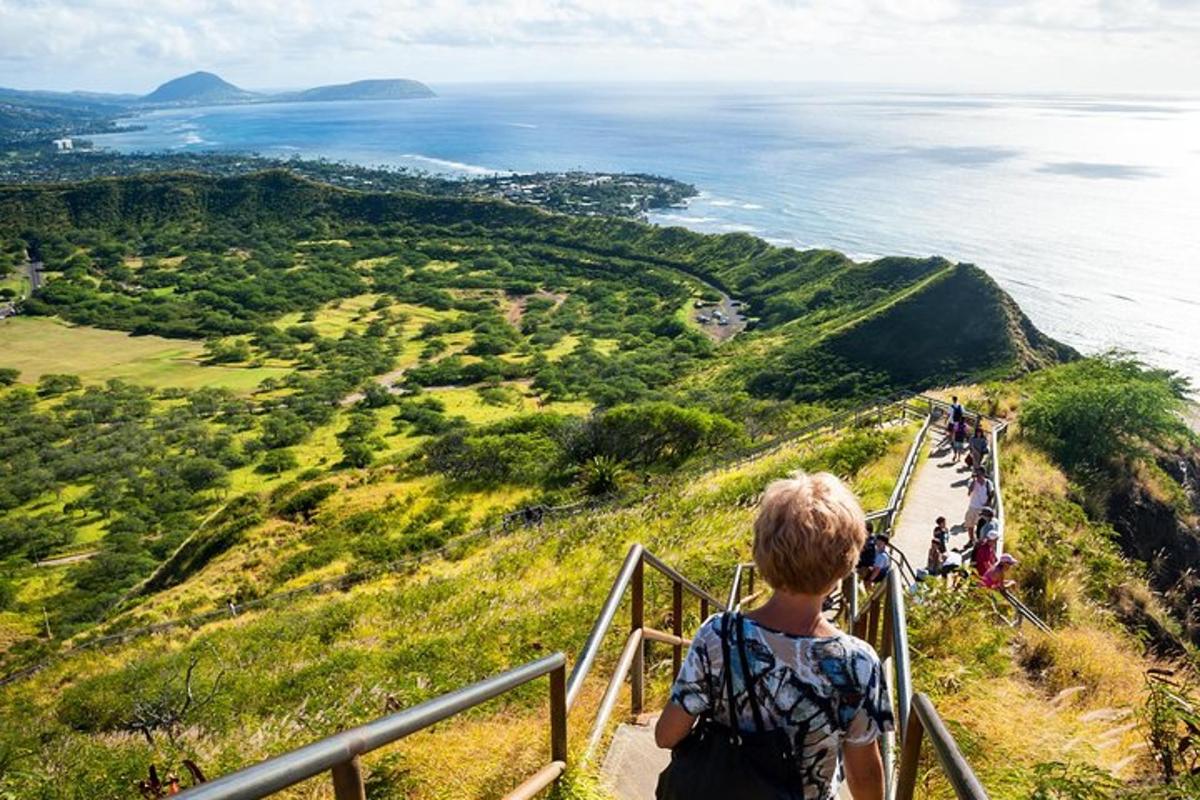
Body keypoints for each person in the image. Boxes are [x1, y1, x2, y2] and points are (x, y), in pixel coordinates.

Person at [656, 471, 891, 800]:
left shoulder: (719, 634)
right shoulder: (859, 663)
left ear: (762, 552)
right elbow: (864, 773)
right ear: (845, 564)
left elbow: (666, 735)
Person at [963, 468, 994, 540]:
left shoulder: (988, 483)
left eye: (979, 474)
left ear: (983, 474)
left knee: (980, 526)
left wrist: (987, 504)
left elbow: (991, 493)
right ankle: (971, 540)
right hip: (973, 506)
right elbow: (969, 492)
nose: (978, 476)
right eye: (977, 474)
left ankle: (979, 540)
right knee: (969, 524)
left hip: (982, 508)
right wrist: (974, 481)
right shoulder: (972, 482)